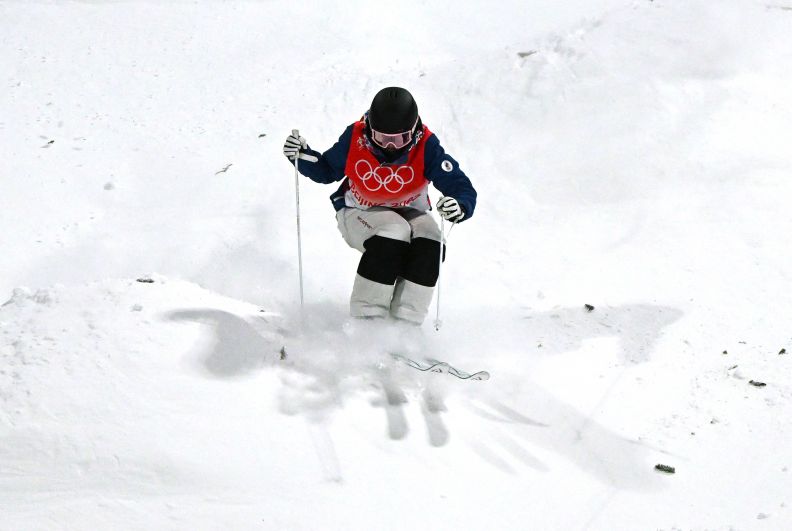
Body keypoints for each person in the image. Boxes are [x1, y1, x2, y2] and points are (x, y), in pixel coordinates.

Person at [282, 87, 477, 325]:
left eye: (400, 139)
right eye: (382, 138)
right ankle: (368, 320)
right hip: (358, 211)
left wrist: (460, 204)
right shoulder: (356, 137)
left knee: (431, 241)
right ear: (369, 129)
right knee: (394, 232)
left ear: (414, 131)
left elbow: (459, 185)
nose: (391, 146)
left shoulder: (426, 144)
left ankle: (405, 324)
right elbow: (326, 170)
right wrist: (302, 156)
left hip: (408, 211)